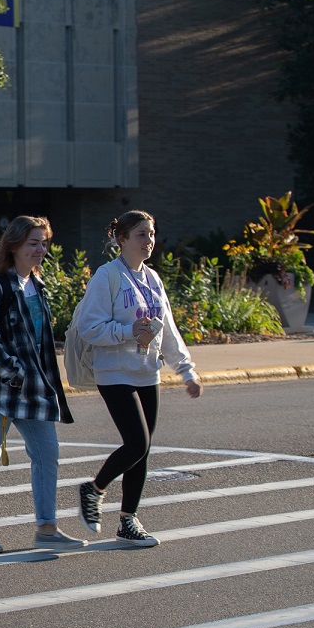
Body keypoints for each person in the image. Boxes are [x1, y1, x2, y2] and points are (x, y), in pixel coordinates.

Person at [73, 210, 202, 547]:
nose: (149, 241)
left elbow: (168, 330)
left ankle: (128, 521)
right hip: (114, 372)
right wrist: (128, 331)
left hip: (147, 373)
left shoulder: (152, 279)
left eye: (152, 234)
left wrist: (186, 370)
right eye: (142, 235)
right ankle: (94, 488)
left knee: (141, 452)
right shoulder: (107, 276)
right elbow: (90, 327)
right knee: (137, 443)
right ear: (121, 239)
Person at [0, 216, 86, 553]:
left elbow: (42, 343)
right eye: (34, 243)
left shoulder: (37, 286)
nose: (40, 249)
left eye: (44, 243)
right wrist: (13, 371)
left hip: (32, 390)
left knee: (47, 453)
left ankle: (47, 527)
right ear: (14, 245)